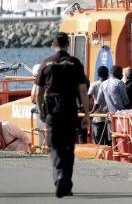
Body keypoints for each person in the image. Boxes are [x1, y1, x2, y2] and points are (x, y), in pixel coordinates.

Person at [35, 32, 89, 198]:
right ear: (67, 45)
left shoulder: (46, 64)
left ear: (53, 45)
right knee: (68, 147)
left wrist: (41, 110)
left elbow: (38, 92)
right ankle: (66, 181)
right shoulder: (75, 63)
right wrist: (86, 114)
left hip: (52, 112)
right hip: (70, 111)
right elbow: (82, 91)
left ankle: (60, 177)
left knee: (55, 146)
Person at [88, 66, 110, 145]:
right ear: (107, 74)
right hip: (109, 117)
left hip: (97, 117)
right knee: (108, 142)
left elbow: (88, 97)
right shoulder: (109, 84)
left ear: (98, 75)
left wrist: (89, 111)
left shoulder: (94, 85)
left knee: (98, 141)